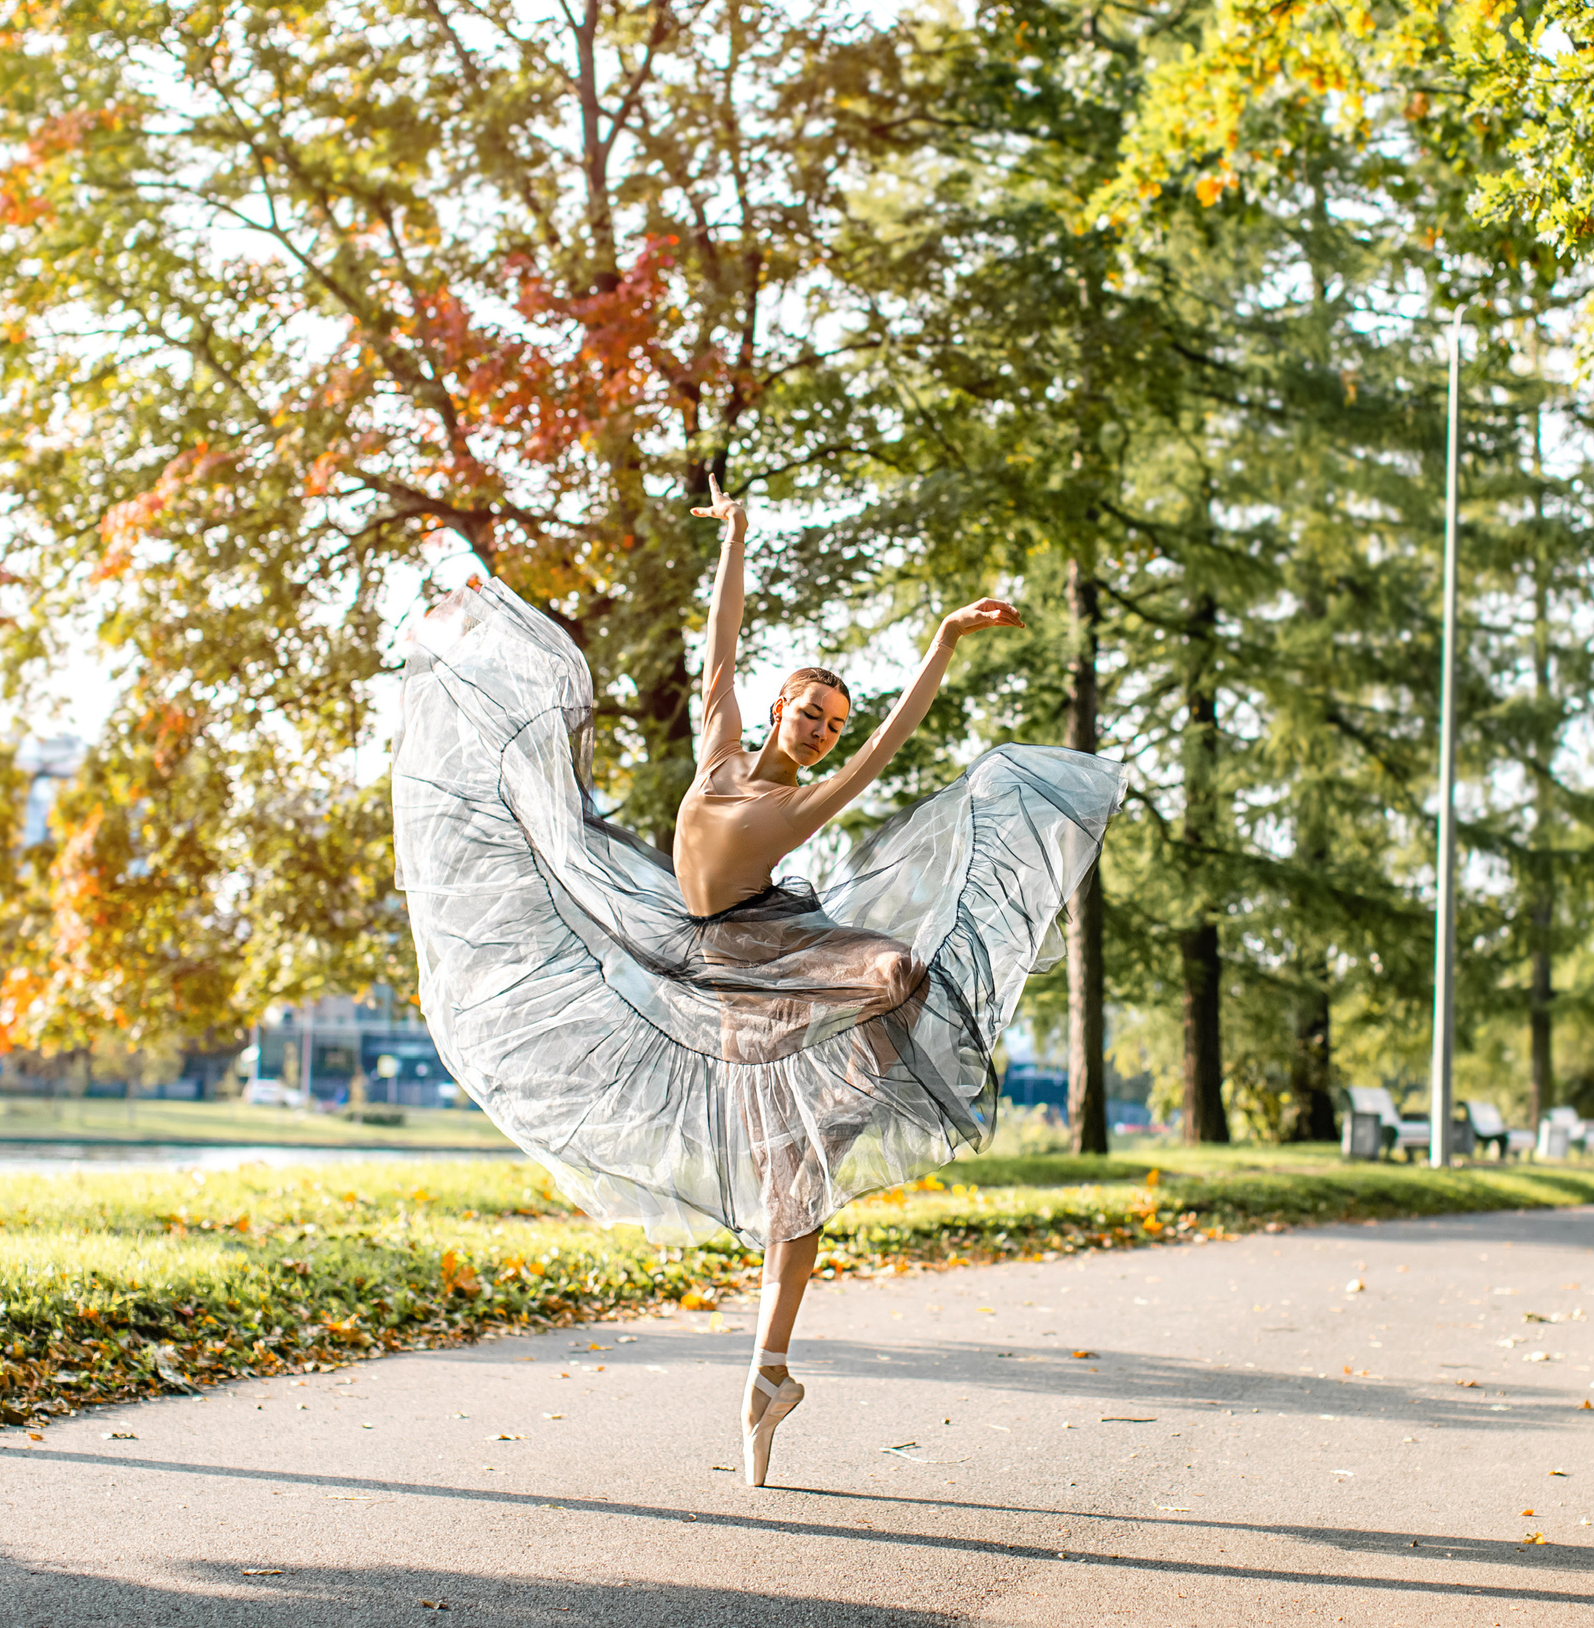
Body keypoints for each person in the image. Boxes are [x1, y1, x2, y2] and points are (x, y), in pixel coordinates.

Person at [391, 475, 1122, 1489]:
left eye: (830, 724)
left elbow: (888, 741)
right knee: (788, 1186)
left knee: (898, 970)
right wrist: (737, 533)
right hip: (716, 967)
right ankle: (769, 1372)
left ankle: (847, 1109)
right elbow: (723, 639)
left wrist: (944, 641)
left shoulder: (813, 797)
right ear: (781, 704)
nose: (820, 730)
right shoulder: (720, 748)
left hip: (776, 955)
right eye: (811, 711)